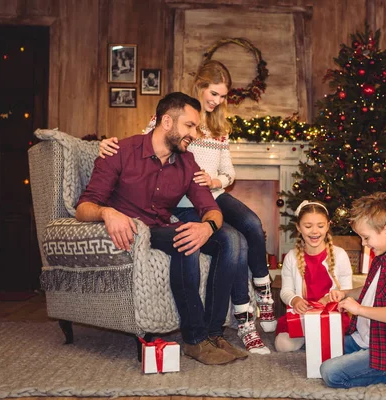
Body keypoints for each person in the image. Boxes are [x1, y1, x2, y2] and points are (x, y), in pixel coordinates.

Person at [99, 60, 275, 354]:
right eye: (214, 93)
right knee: (236, 240)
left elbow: (228, 173)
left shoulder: (219, 128)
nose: (217, 101)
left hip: (210, 193)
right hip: (180, 203)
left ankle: (262, 290)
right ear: (200, 86)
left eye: (222, 96)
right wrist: (105, 145)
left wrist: (214, 179)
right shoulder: (178, 118)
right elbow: (145, 142)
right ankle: (238, 322)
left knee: (252, 224)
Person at [76, 92, 248, 366]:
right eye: (189, 126)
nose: (194, 133)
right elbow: (83, 207)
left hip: (160, 228)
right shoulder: (121, 151)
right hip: (135, 232)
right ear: (167, 121)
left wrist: (207, 227)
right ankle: (194, 340)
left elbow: (210, 208)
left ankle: (215, 334)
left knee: (233, 240)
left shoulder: (187, 162)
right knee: (184, 238)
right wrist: (107, 212)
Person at [320, 192, 386, 387]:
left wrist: (359, 310)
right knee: (319, 350)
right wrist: (345, 294)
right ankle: (368, 361)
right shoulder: (383, 256)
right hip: (366, 338)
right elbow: (371, 290)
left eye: (365, 237)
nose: (364, 244)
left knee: (330, 373)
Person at [274, 200, 353, 352]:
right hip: (303, 316)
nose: (315, 231)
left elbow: (346, 291)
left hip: (329, 315)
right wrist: (294, 299)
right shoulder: (291, 257)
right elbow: (286, 291)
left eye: (320, 226)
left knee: (344, 343)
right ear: (298, 227)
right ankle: (312, 337)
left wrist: (330, 299)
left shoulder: (340, 255)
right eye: (308, 226)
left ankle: (315, 338)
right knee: (282, 345)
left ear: (328, 226)